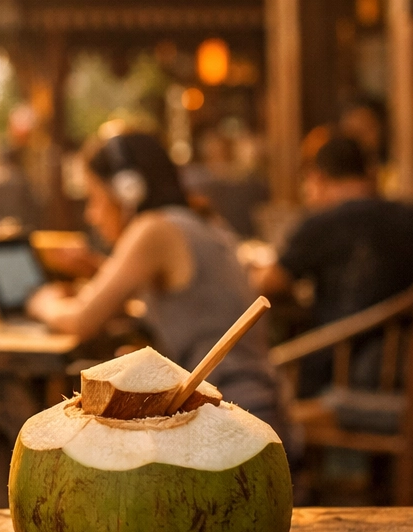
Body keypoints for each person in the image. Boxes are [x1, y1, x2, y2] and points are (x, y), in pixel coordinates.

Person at [27, 132, 285, 433]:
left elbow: (82, 319)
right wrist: (99, 268)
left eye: (94, 198)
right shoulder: (198, 220)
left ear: (127, 191)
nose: (91, 215)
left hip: (229, 419)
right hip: (256, 405)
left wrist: (39, 300)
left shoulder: (153, 229)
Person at [252, 135, 413, 395]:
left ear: (317, 178)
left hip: (343, 371)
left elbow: (269, 284)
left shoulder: (322, 224)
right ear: (369, 172)